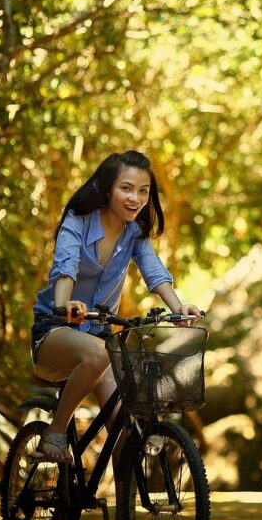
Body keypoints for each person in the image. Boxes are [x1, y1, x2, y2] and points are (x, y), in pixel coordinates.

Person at [30, 150, 200, 463]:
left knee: (126, 437)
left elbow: (153, 269)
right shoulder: (77, 221)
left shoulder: (134, 232)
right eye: (126, 188)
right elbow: (65, 268)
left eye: (143, 191)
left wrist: (180, 308)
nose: (135, 198)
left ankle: (126, 508)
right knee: (98, 353)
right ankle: (55, 432)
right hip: (55, 330)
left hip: (100, 336)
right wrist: (64, 304)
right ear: (108, 188)